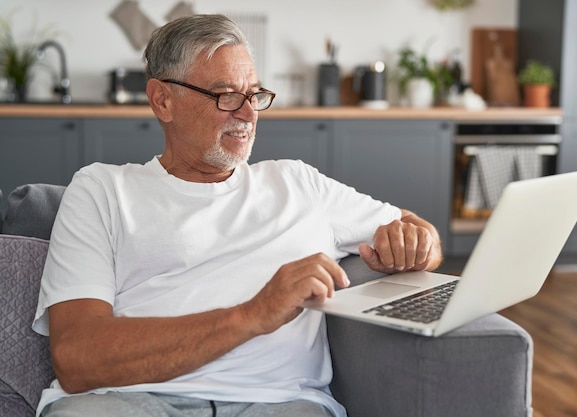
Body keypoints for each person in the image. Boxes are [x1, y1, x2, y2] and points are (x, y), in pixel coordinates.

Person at [32, 14, 443, 417]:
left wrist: (417, 245)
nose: (248, 114)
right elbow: (77, 357)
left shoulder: (298, 183)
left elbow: (419, 234)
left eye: (255, 94)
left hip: (279, 404)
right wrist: (252, 315)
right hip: (125, 401)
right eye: (226, 95)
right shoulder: (101, 190)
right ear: (163, 100)